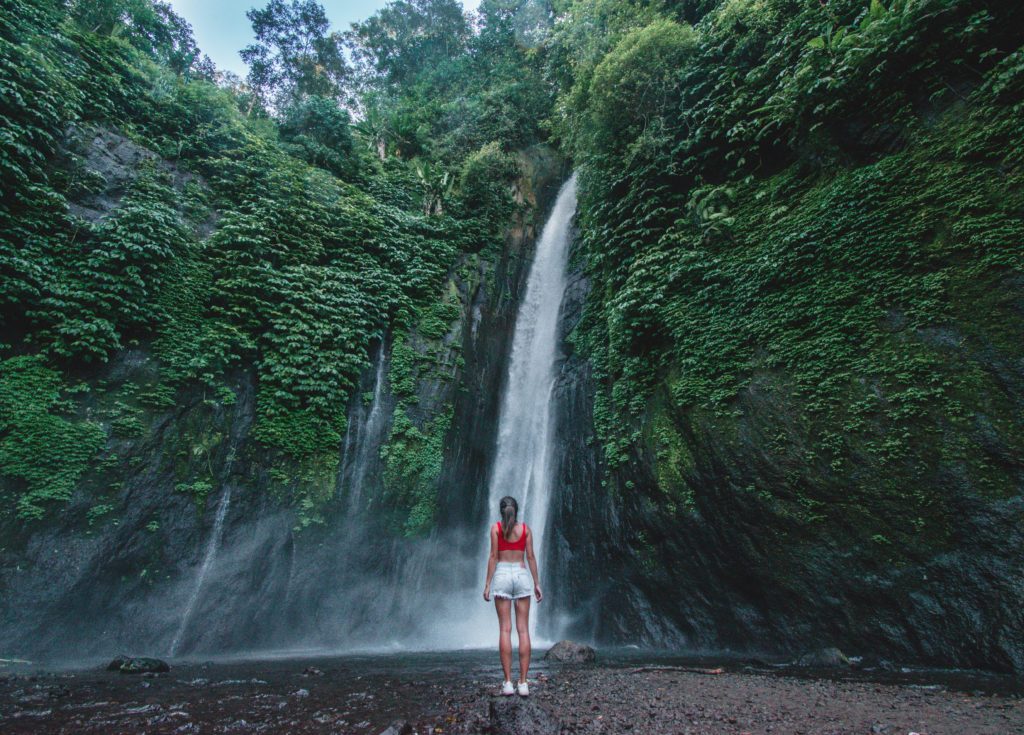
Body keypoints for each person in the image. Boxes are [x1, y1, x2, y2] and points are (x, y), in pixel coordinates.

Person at [483, 496, 543, 696]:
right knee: (523, 631)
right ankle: (523, 683)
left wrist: (487, 584)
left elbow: (493, 557)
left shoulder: (496, 529)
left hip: (501, 574)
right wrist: (536, 583)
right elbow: (531, 557)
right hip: (521, 573)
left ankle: (508, 682)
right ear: (516, 510)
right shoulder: (525, 530)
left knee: (505, 630)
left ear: (501, 511)